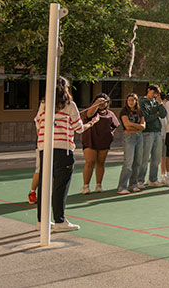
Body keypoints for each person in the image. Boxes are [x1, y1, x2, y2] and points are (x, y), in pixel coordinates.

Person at [34, 76, 98, 232]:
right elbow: (79, 128)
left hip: (44, 148)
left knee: (45, 184)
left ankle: (42, 221)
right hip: (63, 149)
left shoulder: (44, 104)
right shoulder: (70, 105)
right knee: (60, 186)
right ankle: (59, 221)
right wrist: (92, 122)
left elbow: (37, 122)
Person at [80, 93, 119, 194]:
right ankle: (86, 186)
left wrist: (110, 135)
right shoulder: (91, 111)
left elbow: (115, 125)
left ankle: (98, 185)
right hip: (90, 140)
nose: (102, 103)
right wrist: (97, 103)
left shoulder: (110, 114)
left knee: (100, 163)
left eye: (104, 101)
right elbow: (89, 115)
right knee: (90, 162)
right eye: (99, 101)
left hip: (104, 141)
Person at [138, 84, 167, 188]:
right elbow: (146, 117)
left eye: (157, 93)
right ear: (149, 90)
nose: (155, 95)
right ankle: (139, 180)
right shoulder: (142, 102)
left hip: (157, 132)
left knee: (157, 158)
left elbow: (163, 114)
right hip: (147, 132)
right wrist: (157, 114)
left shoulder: (156, 102)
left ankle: (153, 179)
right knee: (145, 158)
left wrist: (160, 105)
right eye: (154, 92)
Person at [117, 93, 145, 194]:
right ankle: (121, 186)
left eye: (133, 100)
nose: (131, 102)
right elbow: (127, 125)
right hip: (129, 137)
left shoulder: (139, 111)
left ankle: (133, 184)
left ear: (136, 101)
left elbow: (143, 126)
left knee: (137, 162)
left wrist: (135, 126)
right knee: (128, 162)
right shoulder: (124, 111)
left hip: (139, 137)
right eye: (129, 100)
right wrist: (137, 125)